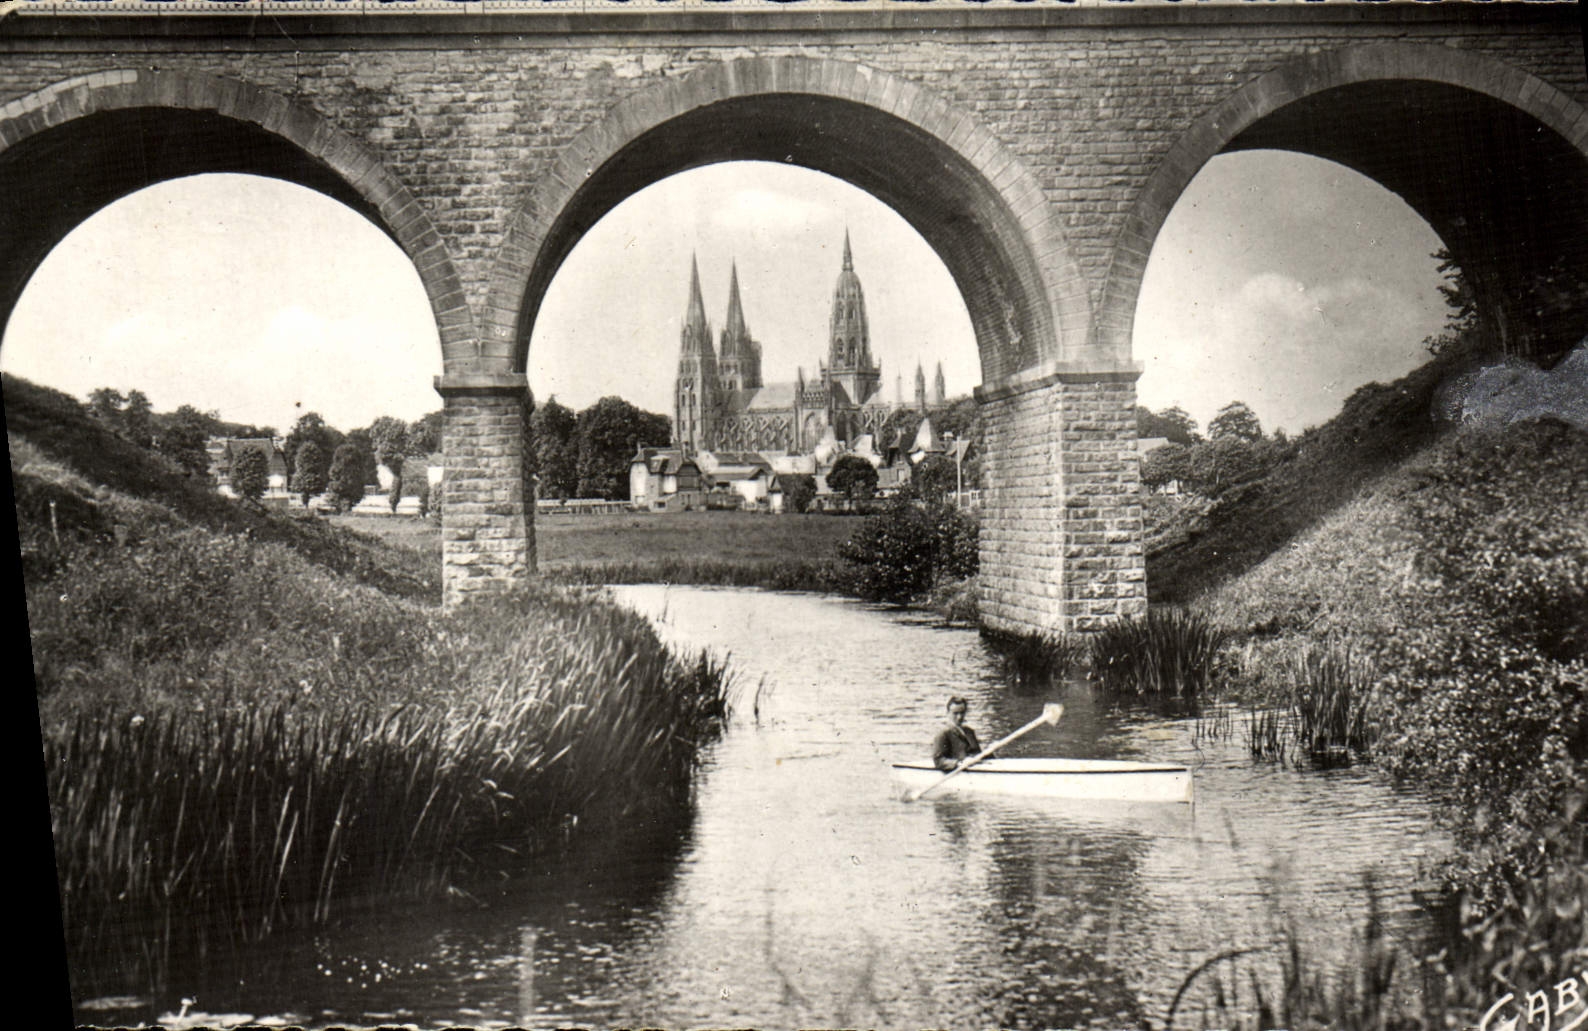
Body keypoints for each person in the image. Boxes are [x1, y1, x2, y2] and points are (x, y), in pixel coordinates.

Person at [931, 695, 989, 772]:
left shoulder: (969, 732)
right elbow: (938, 760)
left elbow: (977, 754)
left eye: (962, 713)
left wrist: (989, 752)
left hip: (973, 770)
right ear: (948, 713)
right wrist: (959, 763)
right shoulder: (943, 734)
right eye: (955, 713)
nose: (959, 717)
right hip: (957, 772)